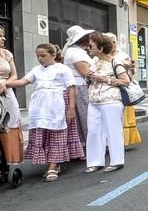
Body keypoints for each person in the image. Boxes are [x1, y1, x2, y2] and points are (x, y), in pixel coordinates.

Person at [0, 44, 83, 182]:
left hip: (57, 104)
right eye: (38, 56)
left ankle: (52, 167)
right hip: (40, 106)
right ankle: (55, 164)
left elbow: (71, 88)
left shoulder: (63, 69)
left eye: (43, 56)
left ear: (53, 55)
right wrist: (5, 84)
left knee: (58, 135)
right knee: (44, 135)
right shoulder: (36, 70)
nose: (40, 58)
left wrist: (71, 108)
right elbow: (22, 81)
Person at [85, 33, 130, 173]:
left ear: (100, 47)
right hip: (94, 101)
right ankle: (95, 162)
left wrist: (104, 79)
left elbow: (126, 81)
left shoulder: (115, 62)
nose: (88, 48)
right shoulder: (94, 62)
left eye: (91, 45)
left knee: (113, 130)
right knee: (93, 131)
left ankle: (117, 161)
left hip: (111, 101)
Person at [104, 33, 142, 148]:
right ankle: (108, 142)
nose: (113, 44)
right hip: (106, 91)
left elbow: (132, 71)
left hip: (121, 88)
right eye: (110, 42)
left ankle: (121, 141)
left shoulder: (122, 55)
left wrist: (128, 69)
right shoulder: (101, 56)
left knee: (121, 117)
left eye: (114, 42)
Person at [63, 25, 95, 147]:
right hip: (79, 86)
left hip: (78, 85)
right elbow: (86, 72)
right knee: (85, 115)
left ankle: (83, 145)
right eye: (88, 38)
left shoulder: (75, 51)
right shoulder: (76, 53)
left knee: (81, 116)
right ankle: (88, 144)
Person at [0, 26, 23, 166]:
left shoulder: (7, 54)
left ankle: (12, 161)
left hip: (6, 92)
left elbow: (14, 75)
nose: (3, 38)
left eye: (3, 35)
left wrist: (5, 84)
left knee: (10, 123)